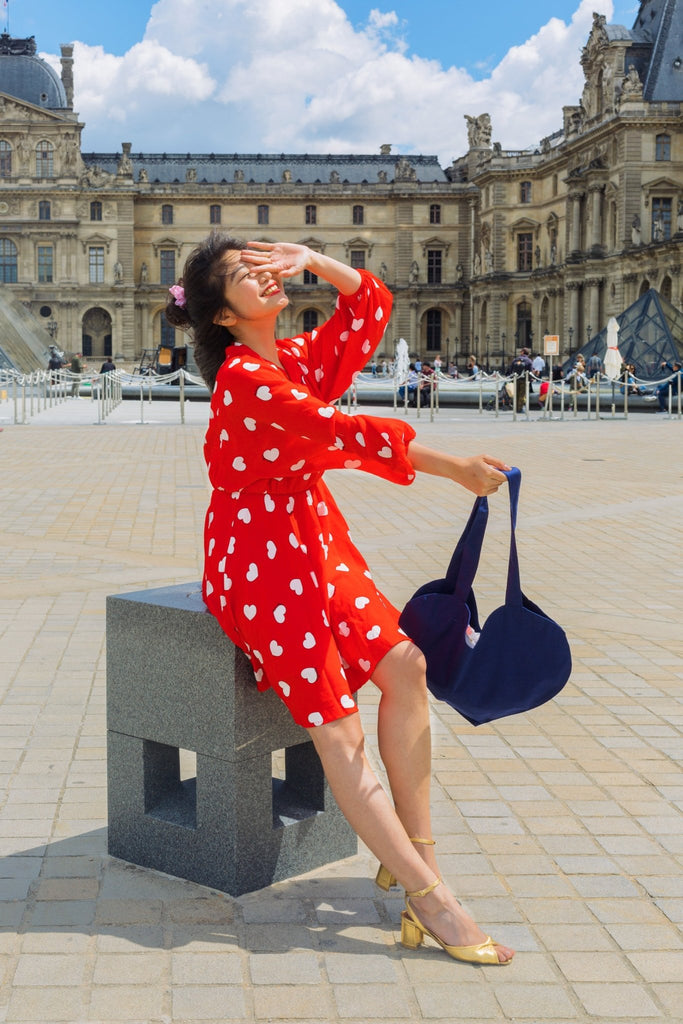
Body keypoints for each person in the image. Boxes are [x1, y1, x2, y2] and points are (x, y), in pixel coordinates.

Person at [164, 233, 514, 966]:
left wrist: (315, 261)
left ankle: (412, 853)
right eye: (242, 275)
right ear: (222, 315)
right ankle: (432, 899)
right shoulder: (245, 382)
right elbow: (339, 432)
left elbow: (368, 310)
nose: (262, 277)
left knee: (407, 666)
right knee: (336, 728)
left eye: (263, 266)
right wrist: (449, 465)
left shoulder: (289, 360)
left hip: (312, 538)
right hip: (258, 562)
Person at [508, 348, 533, 413]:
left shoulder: (515, 360)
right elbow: (530, 371)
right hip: (524, 379)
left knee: (516, 394)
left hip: (516, 379)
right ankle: (520, 408)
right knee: (522, 394)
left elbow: (510, 370)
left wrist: (512, 378)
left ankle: (515, 408)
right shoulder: (529, 360)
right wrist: (530, 380)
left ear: (522, 352)